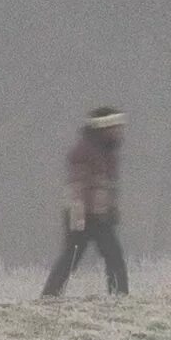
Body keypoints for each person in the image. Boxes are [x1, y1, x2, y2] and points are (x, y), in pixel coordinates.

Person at [41, 105, 128, 298]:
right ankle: (49, 297)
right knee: (71, 259)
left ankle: (120, 297)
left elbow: (108, 186)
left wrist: (111, 209)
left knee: (114, 258)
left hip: (100, 216)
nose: (119, 132)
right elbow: (77, 187)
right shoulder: (84, 151)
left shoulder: (108, 152)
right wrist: (78, 219)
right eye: (114, 128)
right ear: (104, 129)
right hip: (83, 217)